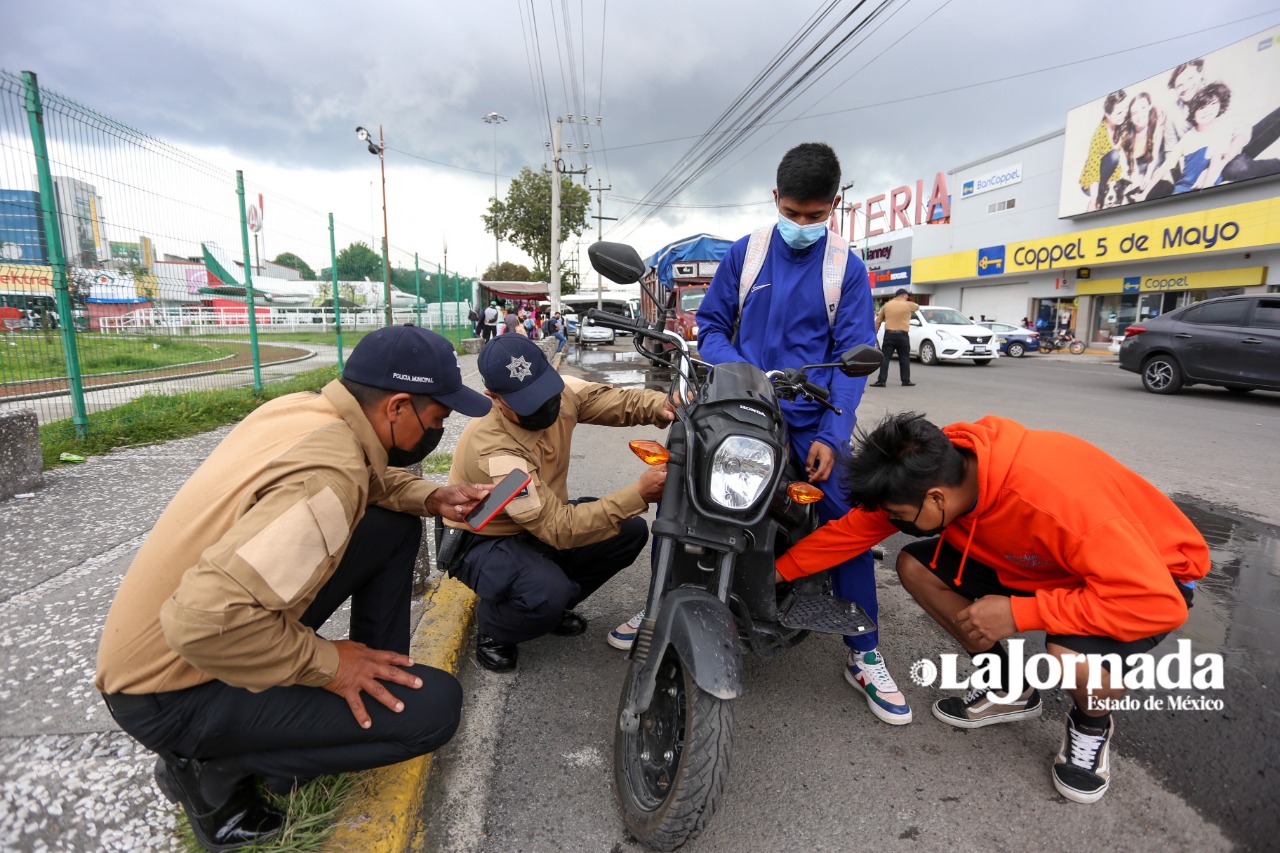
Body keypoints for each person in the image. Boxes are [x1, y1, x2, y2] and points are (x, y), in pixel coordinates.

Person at [94, 324, 494, 851]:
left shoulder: (308, 413)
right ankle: (209, 771)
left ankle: (365, 697)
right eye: (437, 417)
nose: (439, 428)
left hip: (184, 647)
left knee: (391, 526)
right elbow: (200, 623)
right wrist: (331, 665)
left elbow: (370, 479)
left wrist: (433, 497)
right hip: (172, 689)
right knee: (436, 710)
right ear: (397, 407)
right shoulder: (328, 473)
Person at [774, 412, 1209, 803]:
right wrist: (776, 573)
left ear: (937, 501)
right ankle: (1009, 686)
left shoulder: (1056, 500)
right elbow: (850, 533)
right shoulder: (928, 471)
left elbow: (1159, 604)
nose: (896, 525)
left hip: (1146, 578)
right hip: (1047, 561)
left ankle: (1091, 724)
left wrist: (1021, 613)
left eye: (901, 516)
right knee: (915, 565)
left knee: (1069, 657)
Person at [690, 141, 910, 724]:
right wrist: (743, 371)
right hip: (740, 410)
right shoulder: (747, 254)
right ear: (775, 200)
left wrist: (833, 436)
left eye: (815, 216)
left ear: (834, 205)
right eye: (792, 213)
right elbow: (709, 326)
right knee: (685, 487)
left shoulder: (848, 267)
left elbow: (852, 357)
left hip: (813, 420)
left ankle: (863, 653)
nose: (802, 225)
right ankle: (667, 604)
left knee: (849, 521)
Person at [444, 334, 673, 672]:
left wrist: (667, 403)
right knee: (545, 592)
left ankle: (554, 605)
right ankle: (495, 627)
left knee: (629, 531)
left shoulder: (560, 390)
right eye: (527, 403)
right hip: (487, 538)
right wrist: (638, 494)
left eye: (544, 392)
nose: (543, 406)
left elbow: (615, 401)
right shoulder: (496, 449)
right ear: (494, 399)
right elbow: (557, 529)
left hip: (540, 517)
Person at [871, 288, 918, 388]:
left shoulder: (887, 305)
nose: (907, 297)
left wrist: (875, 332)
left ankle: (881, 381)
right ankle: (906, 380)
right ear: (903, 295)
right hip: (903, 335)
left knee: (885, 358)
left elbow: (878, 320)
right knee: (904, 358)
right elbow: (917, 307)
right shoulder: (908, 305)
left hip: (889, 334)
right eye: (907, 295)